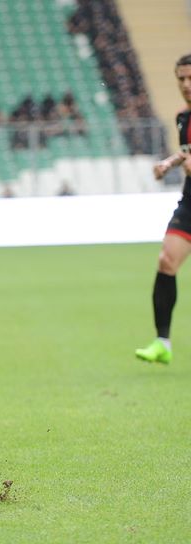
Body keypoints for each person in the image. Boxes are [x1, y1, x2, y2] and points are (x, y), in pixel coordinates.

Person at [135, 54, 191, 364]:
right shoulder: (183, 117)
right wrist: (169, 163)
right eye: (181, 79)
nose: (186, 84)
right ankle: (162, 343)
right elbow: (187, 152)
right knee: (167, 260)